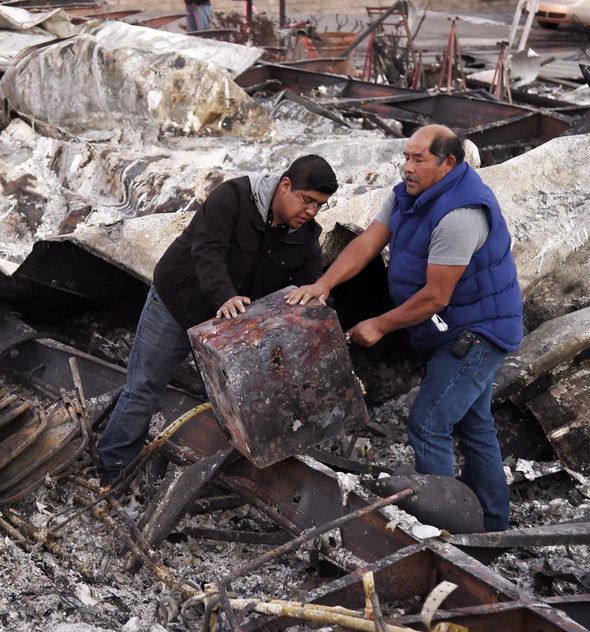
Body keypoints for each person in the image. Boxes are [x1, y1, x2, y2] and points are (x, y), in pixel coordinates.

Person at [287, 125, 523, 532]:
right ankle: (492, 525)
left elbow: (436, 297)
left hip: (478, 331)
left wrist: (379, 324)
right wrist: (323, 285)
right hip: (456, 324)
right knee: (475, 422)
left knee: (429, 425)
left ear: (447, 163)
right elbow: (367, 244)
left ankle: (449, 534)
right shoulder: (407, 195)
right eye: (406, 157)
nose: (407, 167)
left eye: (419, 159)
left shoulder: (461, 214)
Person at [96, 155, 339, 487]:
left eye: (319, 205)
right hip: (178, 304)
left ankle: (218, 480)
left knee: (239, 407)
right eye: (306, 200)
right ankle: (111, 475)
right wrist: (225, 295)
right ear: (285, 185)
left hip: (230, 330)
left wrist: (317, 313)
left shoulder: (306, 236)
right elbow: (206, 251)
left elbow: (305, 288)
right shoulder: (233, 198)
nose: (311, 211)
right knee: (144, 388)